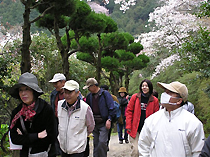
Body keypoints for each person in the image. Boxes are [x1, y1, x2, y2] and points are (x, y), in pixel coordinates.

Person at [138, 81, 205, 157]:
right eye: (165, 92)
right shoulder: (152, 120)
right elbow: (144, 146)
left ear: (179, 100)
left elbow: (198, 151)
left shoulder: (192, 123)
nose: (164, 95)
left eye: (169, 93)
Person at [9, 72, 56, 157]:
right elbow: (14, 138)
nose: (23, 93)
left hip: (45, 153)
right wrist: (37, 136)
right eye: (21, 90)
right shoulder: (17, 112)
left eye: (27, 89)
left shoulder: (46, 109)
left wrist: (24, 137)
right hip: (25, 154)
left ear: (34, 91)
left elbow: (51, 137)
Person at [57, 80, 95, 157]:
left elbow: (90, 126)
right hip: (63, 148)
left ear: (77, 93)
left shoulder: (85, 108)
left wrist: (81, 137)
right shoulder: (60, 105)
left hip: (78, 149)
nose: (67, 95)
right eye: (65, 92)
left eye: (70, 92)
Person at [126, 79, 159, 157]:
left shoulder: (154, 100)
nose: (144, 87)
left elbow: (156, 116)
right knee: (136, 150)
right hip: (135, 128)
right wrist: (128, 125)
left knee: (148, 150)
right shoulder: (135, 97)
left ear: (150, 88)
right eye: (143, 86)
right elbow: (129, 111)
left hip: (148, 129)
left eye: (146, 86)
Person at [83, 78, 115, 157]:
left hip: (103, 122)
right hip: (94, 123)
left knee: (102, 142)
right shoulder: (89, 96)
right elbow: (87, 109)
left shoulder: (105, 94)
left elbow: (111, 107)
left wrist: (109, 119)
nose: (89, 89)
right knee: (96, 144)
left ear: (94, 86)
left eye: (89, 87)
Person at [49, 73, 66, 156]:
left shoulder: (71, 93)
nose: (55, 85)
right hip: (55, 119)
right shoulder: (53, 94)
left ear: (63, 82)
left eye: (56, 83)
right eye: (54, 83)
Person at [100, 85, 119, 151]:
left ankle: (106, 144)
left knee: (108, 132)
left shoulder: (112, 97)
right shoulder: (99, 96)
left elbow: (116, 108)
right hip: (104, 119)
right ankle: (105, 145)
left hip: (110, 118)